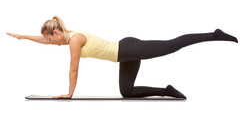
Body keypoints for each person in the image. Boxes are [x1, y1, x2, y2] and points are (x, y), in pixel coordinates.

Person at [6, 16, 238, 99]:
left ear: (56, 32)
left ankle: (213, 34)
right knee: (127, 92)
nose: (50, 42)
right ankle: (166, 91)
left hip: (129, 49)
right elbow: (45, 42)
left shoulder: (74, 40)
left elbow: (73, 69)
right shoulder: (68, 36)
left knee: (172, 45)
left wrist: (69, 93)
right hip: (123, 55)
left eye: (50, 38)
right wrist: (24, 37)